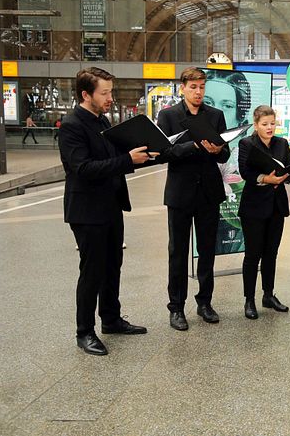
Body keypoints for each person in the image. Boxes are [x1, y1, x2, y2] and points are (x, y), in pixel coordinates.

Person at [59, 67, 152, 356]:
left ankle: (110, 319)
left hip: (110, 206)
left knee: (113, 265)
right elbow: (83, 169)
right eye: (105, 93)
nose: (110, 97)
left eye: (111, 91)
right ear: (86, 94)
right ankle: (84, 332)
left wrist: (146, 155)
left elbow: (116, 159)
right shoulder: (72, 125)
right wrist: (127, 159)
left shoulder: (103, 120)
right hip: (87, 211)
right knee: (92, 271)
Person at [157, 67, 231, 331]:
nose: (198, 92)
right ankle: (176, 307)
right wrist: (195, 146)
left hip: (208, 192)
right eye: (193, 87)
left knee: (207, 250)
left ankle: (205, 302)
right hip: (180, 192)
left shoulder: (216, 115)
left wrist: (218, 149)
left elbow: (224, 155)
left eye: (202, 87)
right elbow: (162, 153)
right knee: (177, 251)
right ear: (183, 88)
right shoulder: (168, 116)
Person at [237, 105, 290, 319]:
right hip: (254, 206)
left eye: (272, 123)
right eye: (265, 124)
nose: (270, 128)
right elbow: (245, 172)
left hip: (277, 205)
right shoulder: (247, 143)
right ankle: (249, 299)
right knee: (253, 255)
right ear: (256, 124)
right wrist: (266, 179)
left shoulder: (282, 143)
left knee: (271, 253)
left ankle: (268, 295)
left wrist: (284, 177)